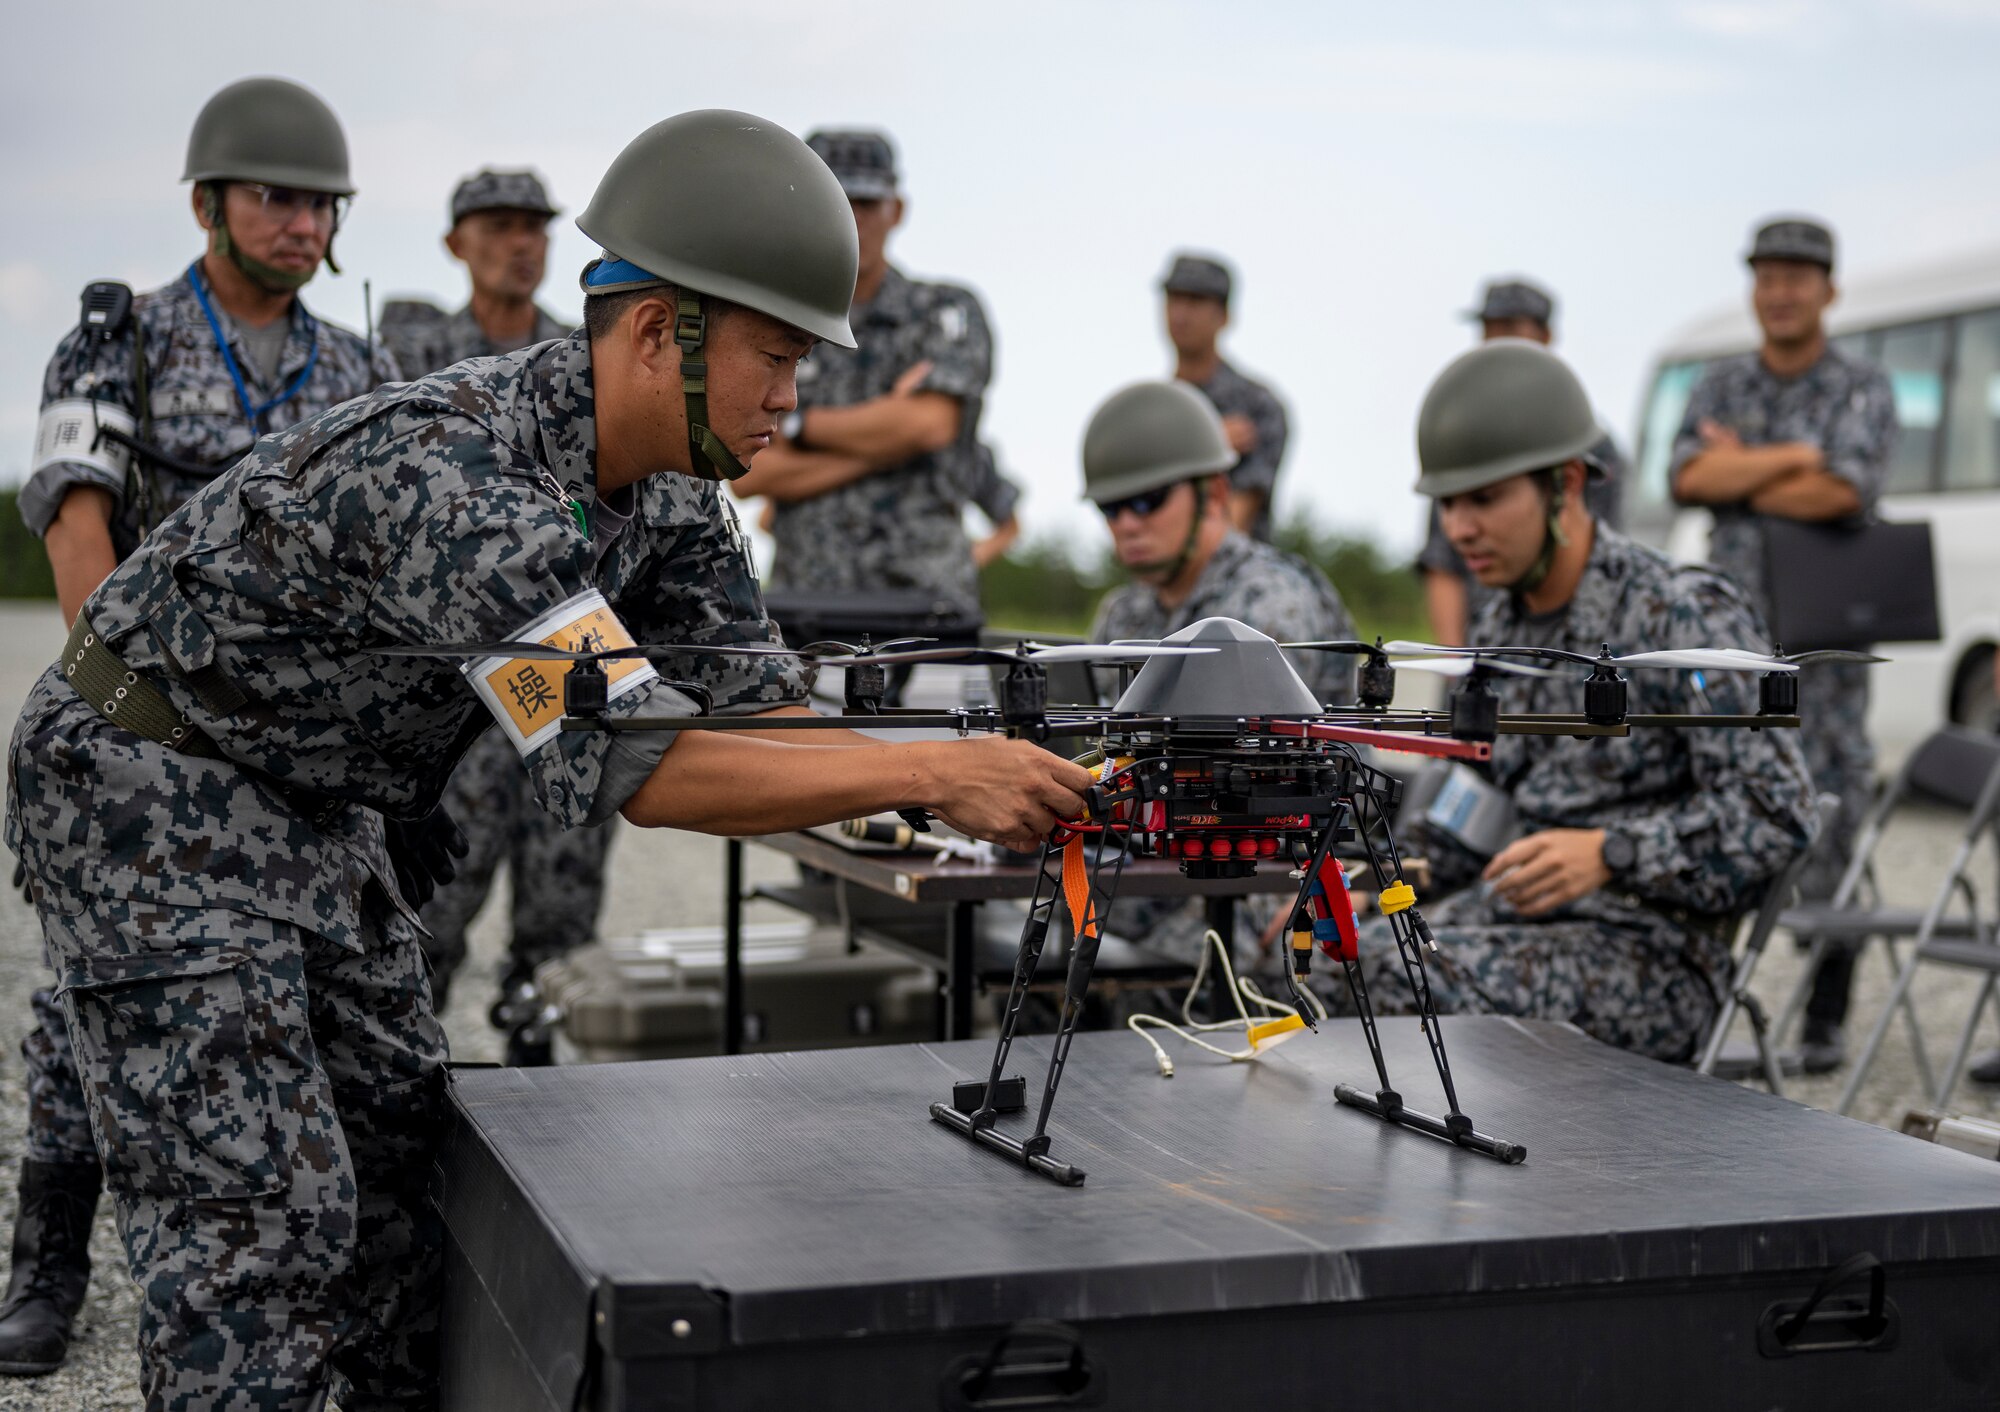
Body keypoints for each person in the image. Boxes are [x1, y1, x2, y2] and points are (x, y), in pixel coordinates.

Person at [5, 109, 1089, 1409]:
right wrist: (934, 773)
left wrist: (969, 787)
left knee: (410, 1171)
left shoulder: (677, 488)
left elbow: (758, 717)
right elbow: (651, 770)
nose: (795, 400)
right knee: (260, 1223)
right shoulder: (458, 479)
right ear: (655, 334)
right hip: (145, 783)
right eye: (778, 356)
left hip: (314, 799)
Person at [3, 75, 395, 1379]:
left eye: (317, 202)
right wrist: (125, 712)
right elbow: (76, 524)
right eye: (273, 196)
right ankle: (46, 1270)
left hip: (298, 755)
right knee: (88, 1003)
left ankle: (315, 1284)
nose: (299, 221)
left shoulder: (360, 365)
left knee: (311, 1000)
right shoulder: (117, 339)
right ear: (206, 202)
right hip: (144, 732)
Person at [1324, 340, 1816, 1063]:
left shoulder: (1679, 615)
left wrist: (1611, 854)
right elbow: (1472, 806)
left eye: (1485, 498)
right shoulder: (1503, 630)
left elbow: (1778, 811)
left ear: (1568, 483)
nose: (1459, 529)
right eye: (1449, 504)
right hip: (1517, 924)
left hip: (1654, 958)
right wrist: (1363, 887)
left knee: (1386, 971)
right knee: (1323, 946)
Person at [381, 169, 602, 1052]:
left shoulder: (583, 356)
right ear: (455, 243)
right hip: (457, 687)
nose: (522, 244)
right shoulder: (411, 349)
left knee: (560, 919)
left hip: (564, 662)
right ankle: (401, 1092)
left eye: (535, 228)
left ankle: (540, 1082)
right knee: (426, 916)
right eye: (499, 226)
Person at [1669, 217, 1897, 1074]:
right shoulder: (1719, 381)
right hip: (1731, 643)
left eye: (1798, 277)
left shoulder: (1863, 385)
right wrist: (1795, 458)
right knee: (1718, 798)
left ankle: (1826, 1010)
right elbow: (1687, 478)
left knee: (1833, 809)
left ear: (1829, 290)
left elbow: (1847, 490)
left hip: (1823, 650)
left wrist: (1749, 470)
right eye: (1767, 276)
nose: (1781, 292)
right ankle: (1706, 992)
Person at [1084, 379, 1356, 965]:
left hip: (1274, 856)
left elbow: (1257, 787)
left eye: (1147, 499)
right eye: (1111, 507)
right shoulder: (1122, 614)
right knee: (1063, 922)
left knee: (1166, 960)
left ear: (1214, 493)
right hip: (1159, 850)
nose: (1127, 523)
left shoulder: (1266, 605)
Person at [733, 128, 1004, 621]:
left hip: (926, 607)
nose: (850, 220)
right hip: (805, 609)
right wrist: (891, 446)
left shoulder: (944, 312)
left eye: (864, 202)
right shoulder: (768, 323)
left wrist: (800, 427)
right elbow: (751, 474)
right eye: (834, 201)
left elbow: (928, 426)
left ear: (896, 210)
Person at [1418, 278, 1626, 645]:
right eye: (1489, 330)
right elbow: (1442, 564)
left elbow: (1596, 551)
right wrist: (1456, 662)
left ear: (1546, 336)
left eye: (1511, 329)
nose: (1460, 526)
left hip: (1582, 644)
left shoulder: (1587, 442)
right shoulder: (1459, 432)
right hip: (1485, 646)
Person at [1159, 253, 1289, 542]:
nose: (1180, 314)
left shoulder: (1257, 406)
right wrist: (1205, 446)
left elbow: (1228, 529)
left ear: (1224, 316)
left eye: (1194, 301)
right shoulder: (1150, 410)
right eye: (1174, 299)